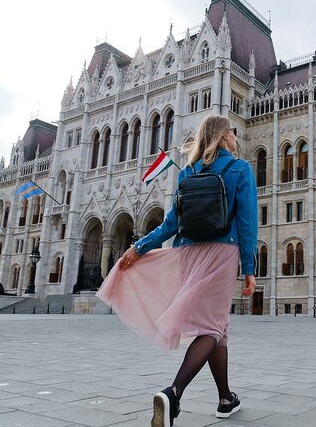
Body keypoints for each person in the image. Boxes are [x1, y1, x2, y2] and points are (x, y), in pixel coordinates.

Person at [96, 115, 257, 427]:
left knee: (216, 328)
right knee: (211, 328)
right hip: (222, 251)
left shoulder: (188, 171)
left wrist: (140, 246)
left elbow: (171, 223)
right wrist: (249, 267)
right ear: (224, 136)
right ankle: (173, 393)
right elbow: (247, 222)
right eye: (233, 132)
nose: (236, 136)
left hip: (187, 253)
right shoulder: (240, 169)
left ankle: (226, 399)